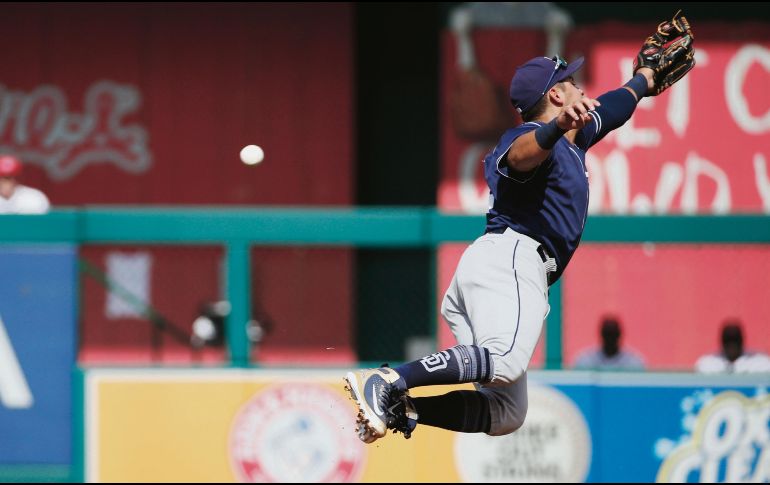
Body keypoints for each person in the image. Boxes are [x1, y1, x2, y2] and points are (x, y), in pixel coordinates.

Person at [344, 15, 695, 443]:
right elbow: (522, 157)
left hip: (500, 270)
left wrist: (642, 78)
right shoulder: (525, 137)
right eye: (570, 79)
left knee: (508, 412)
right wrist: (556, 126)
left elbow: (614, 107)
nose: (579, 83)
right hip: (510, 260)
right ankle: (391, 380)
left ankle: (404, 409)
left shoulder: (573, 139)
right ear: (555, 93)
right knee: (504, 360)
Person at [694, 321, 770, 374]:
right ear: (722, 342)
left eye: (735, 341)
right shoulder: (708, 363)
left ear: (741, 341)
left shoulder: (760, 362)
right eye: (728, 342)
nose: (732, 346)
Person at [573, 316, 645, 370]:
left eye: (613, 334)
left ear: (619, 335)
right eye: (607, 334)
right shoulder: (586, 359)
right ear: (601, 334)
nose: (610, 339)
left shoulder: (633, 362)